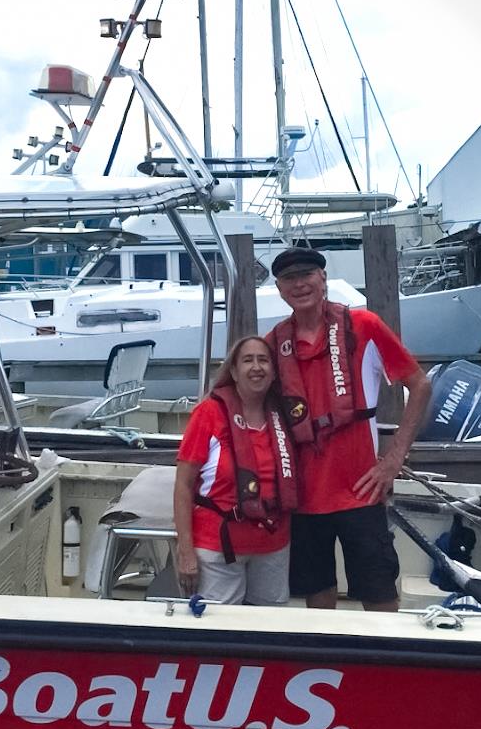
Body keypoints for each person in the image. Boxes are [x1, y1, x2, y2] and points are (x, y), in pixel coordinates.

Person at [265, 246, 432, 612]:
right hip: (304, 495)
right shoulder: (273, 344)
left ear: (323, 278)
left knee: (379, 594)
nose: (299, 284)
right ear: (279, 288)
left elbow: (419, 385)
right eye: (289, 278)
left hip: (362, 491)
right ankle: (328, 665)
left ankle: (388, 664)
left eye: (307, 274)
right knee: (317, 594)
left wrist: (393, 459)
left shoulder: (365, 326)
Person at [173, 335, 298, 605]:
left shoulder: (284, 416)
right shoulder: (209, 413)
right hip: (218, 547)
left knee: (270, 630)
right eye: (248, 360)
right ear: (233, 371)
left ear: (274, 371)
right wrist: (186, 552)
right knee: (220, 633)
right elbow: (183, 485)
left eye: (264, 360)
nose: (256, 367)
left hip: (273, 545)